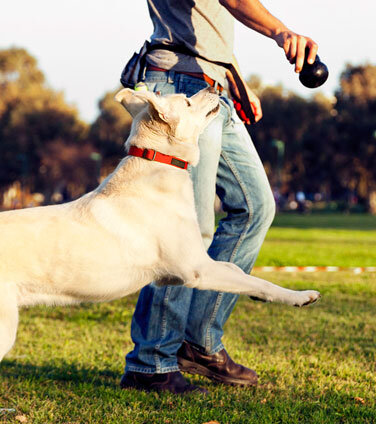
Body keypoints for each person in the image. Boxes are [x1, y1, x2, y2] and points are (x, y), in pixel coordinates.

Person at [119, 0, 319, 394]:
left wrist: (233, 79)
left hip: (212, 90)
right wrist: (281, 32)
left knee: (255, 207)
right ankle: (151, 362)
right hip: (178, 89)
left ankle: (199, 341)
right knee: (188, 233)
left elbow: (209, 25)